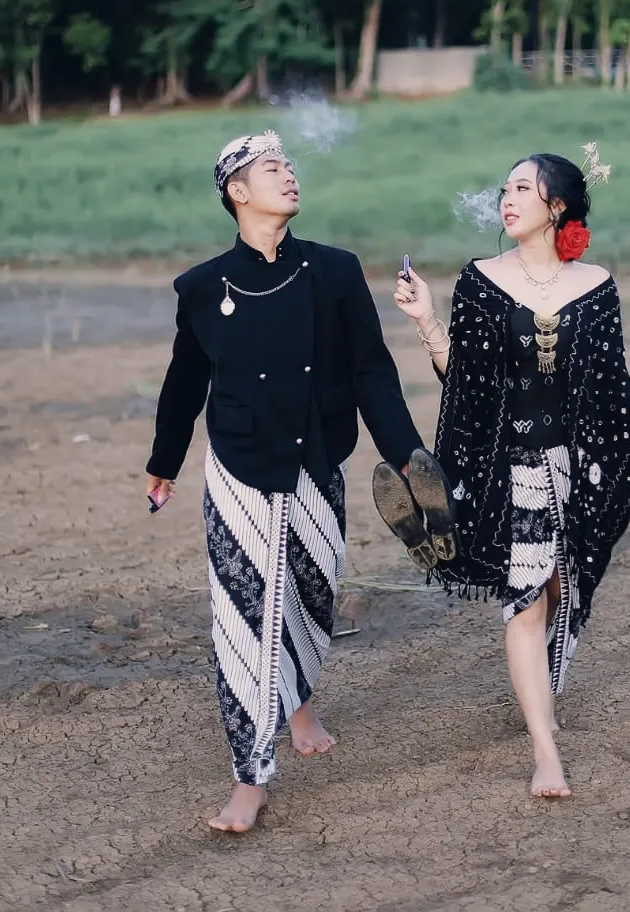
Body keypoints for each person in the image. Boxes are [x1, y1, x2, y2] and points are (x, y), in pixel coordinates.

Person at [144, 131, 450, 833]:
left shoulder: (335, 272)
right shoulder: (201, 287)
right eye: (271, 168)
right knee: (245, 619)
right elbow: (184, 381)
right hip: (238, 468)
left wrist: (407, 456)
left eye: (289, 165)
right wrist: (165, 461)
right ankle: (249, 776)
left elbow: (372, 372)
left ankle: (299, 700)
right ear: (237, 192)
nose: (288, 175)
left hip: (316, 460)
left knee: (309, 600)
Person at [389, 145, 630, 800]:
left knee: (558, 588)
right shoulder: (480, 280)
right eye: (505, 189)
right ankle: (543, 749)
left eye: (523, 188)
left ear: (556, 206)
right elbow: (466, 383)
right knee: (523, 600)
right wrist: (428, 321)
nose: (507, 198)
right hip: (509, 467)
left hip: (574, 469)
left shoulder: (596, 287)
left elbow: (613, 385)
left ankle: (539, 690)